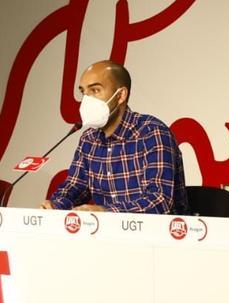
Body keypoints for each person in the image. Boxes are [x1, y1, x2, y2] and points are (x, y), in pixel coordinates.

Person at [41, 60, 189, 214]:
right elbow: (74, 187)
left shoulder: (152, 132)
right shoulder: (89, 139)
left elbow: (159, 201)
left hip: (161, 234)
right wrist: (55, 206)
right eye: (83, 92)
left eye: (95, 90)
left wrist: (107, 213)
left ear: (120, 95)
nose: (86, 100)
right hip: (108, 235)